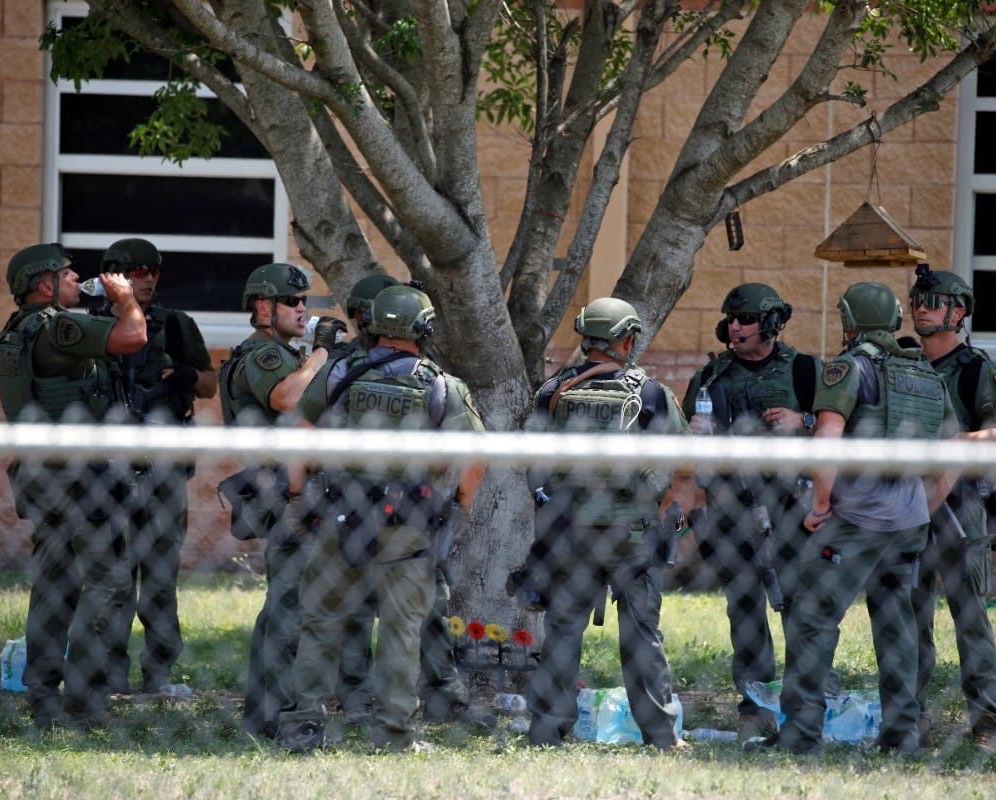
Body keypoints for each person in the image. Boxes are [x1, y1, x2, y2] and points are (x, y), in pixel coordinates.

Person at [279, 283, 485, 752]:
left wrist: (296, 494)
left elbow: (301, 435)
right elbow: (477, 456)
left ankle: (304, 725)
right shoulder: (440, 385)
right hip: (409, 524)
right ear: (424, 328)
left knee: (321, 622)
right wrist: (461, 505)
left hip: (340, 513)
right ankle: (394, 734)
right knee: (401, 628)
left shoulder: (338, 371)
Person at [756, 282, 957, 755]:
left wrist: (820, 506)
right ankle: (903, 735)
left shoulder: (848, 367)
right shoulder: (925, 373)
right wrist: (922, 509)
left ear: (850, 321)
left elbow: (826, 439)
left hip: (855, 523)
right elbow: (951, 453)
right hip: (907, 525)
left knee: (810, 619)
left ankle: (802, 734)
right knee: (897, 624)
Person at [0, 242, 147, 728]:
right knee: (107, 581)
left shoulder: (12, 334)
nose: (77, 277)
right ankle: (85, 700)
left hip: (44, 474)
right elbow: (133, 337)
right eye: (66, 273)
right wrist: (124, 298)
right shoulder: (58, 325)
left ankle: (42, 694)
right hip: (84, 478)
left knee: (54, 585)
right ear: (44, 286)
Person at [522, 297, 686, 750]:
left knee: (562, 632)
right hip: (631, 534)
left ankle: (547, 730)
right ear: (628, 338)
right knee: (641, 635)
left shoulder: (552, 392)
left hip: (570, 533)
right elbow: (679, 462)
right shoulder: (650, 394)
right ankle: (661, 735)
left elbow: (533, 462)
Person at [680, 283, 821, 739]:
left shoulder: (804, 371)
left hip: (791, 506)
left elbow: (842, 426)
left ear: (771, 324)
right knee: (744, 606)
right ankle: (756, 704)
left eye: (745, 320)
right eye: (731, 320)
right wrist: (695, 430)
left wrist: (806, 422)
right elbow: (685, 443)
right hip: (729, 506)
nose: (735, 328)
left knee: (800, 604)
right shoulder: (710, 377)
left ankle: (806, 700)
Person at [218, 262, 346, 739]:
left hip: (300, 491)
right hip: (287, 495)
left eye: (304, 302)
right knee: (290, 610)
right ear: (262, 307)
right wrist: (321, 353)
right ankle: (276, 718)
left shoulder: (285, 353)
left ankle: (266, 714)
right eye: (291, 302)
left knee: (284, 607)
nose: (301, 309)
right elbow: (289, 398)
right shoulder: (263, 355)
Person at [94, 237, 217, 695]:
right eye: (135, 270)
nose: (146, 278)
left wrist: (187, 376)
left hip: (163, 469)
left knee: (160, 580)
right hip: (110, 469)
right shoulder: (89, 327)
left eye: (153, 270)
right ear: (113, 275)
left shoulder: (176, 325)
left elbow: (209, 384)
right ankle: (109, 676)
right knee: (113, 578)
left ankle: (159, 676)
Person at [908, 264, 996, 754]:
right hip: (906, 507)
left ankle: (988, 722)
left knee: (969, 617)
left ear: (958, 312)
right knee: (909, 617)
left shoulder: (977, 370)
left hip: (961, 510)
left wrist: (958, 440)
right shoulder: (905, 365)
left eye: (932, 302)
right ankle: (910, 719)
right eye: (917, 300)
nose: (920, 308)